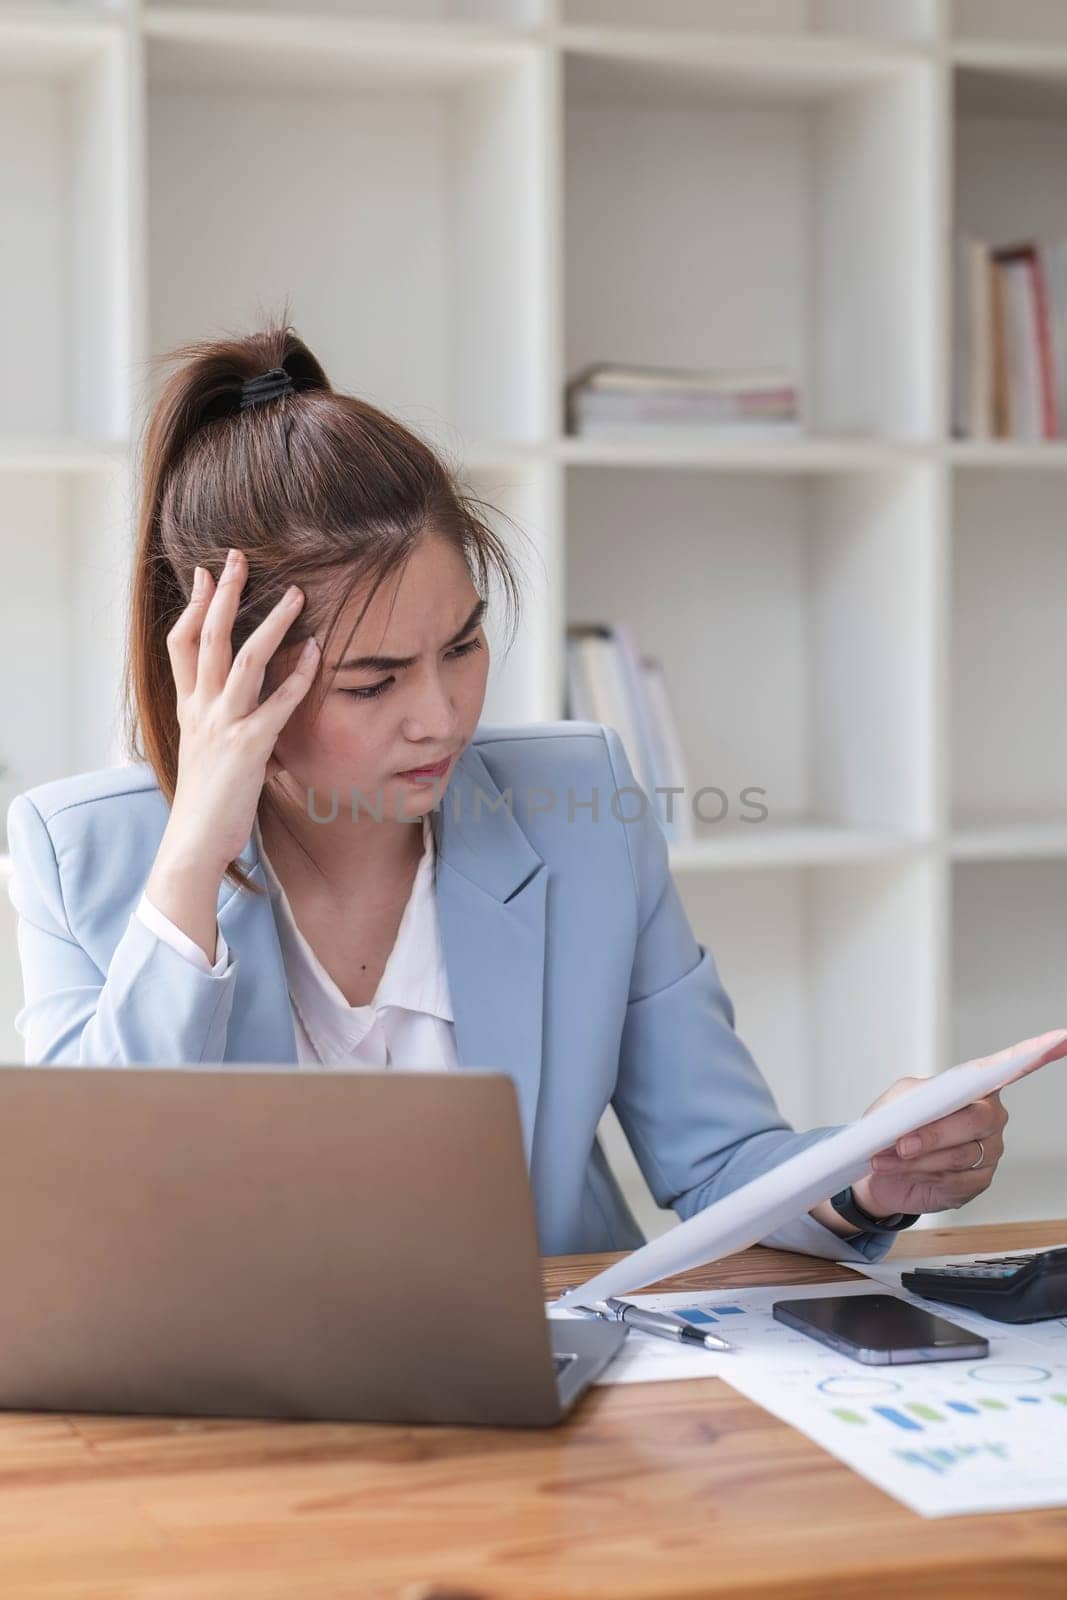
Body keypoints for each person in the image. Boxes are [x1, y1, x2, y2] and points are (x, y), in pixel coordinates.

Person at [5, 319, 1009, 1260]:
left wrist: (866, 1176)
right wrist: (192, 861)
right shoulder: (75, 852)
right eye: (373, 680)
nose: (440, 715)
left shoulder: (580, 808)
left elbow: (718, 1163)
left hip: (546, 1385)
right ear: (230, 668)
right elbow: (80, 1229)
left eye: (462, 645)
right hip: (233, 1413)